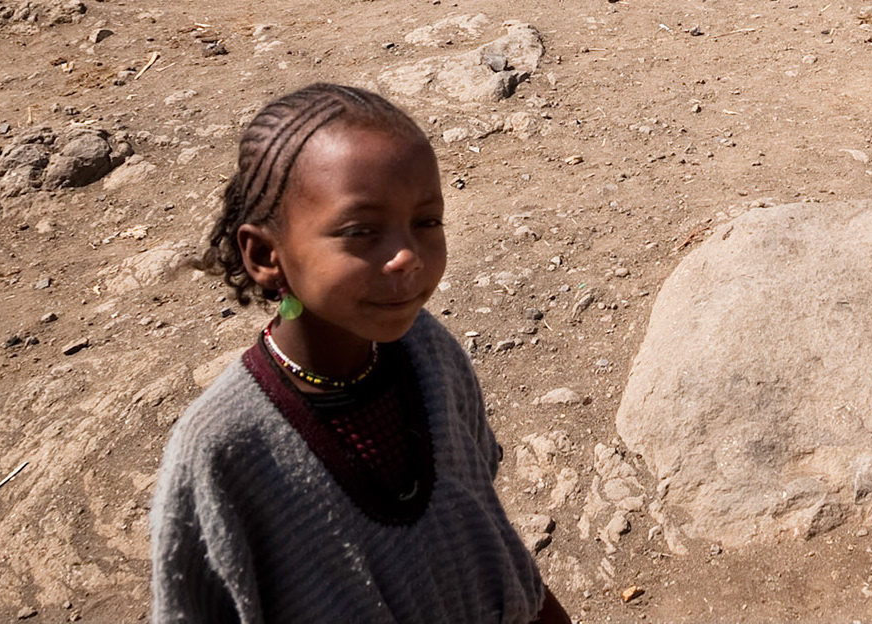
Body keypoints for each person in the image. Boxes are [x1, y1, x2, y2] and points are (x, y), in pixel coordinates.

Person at [151, 83, 570, 622]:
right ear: (264, 254)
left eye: (427, 222)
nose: (406, 256)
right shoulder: (223, 452)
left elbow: (482, 527)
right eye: (360, 231)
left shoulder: (430, 354)